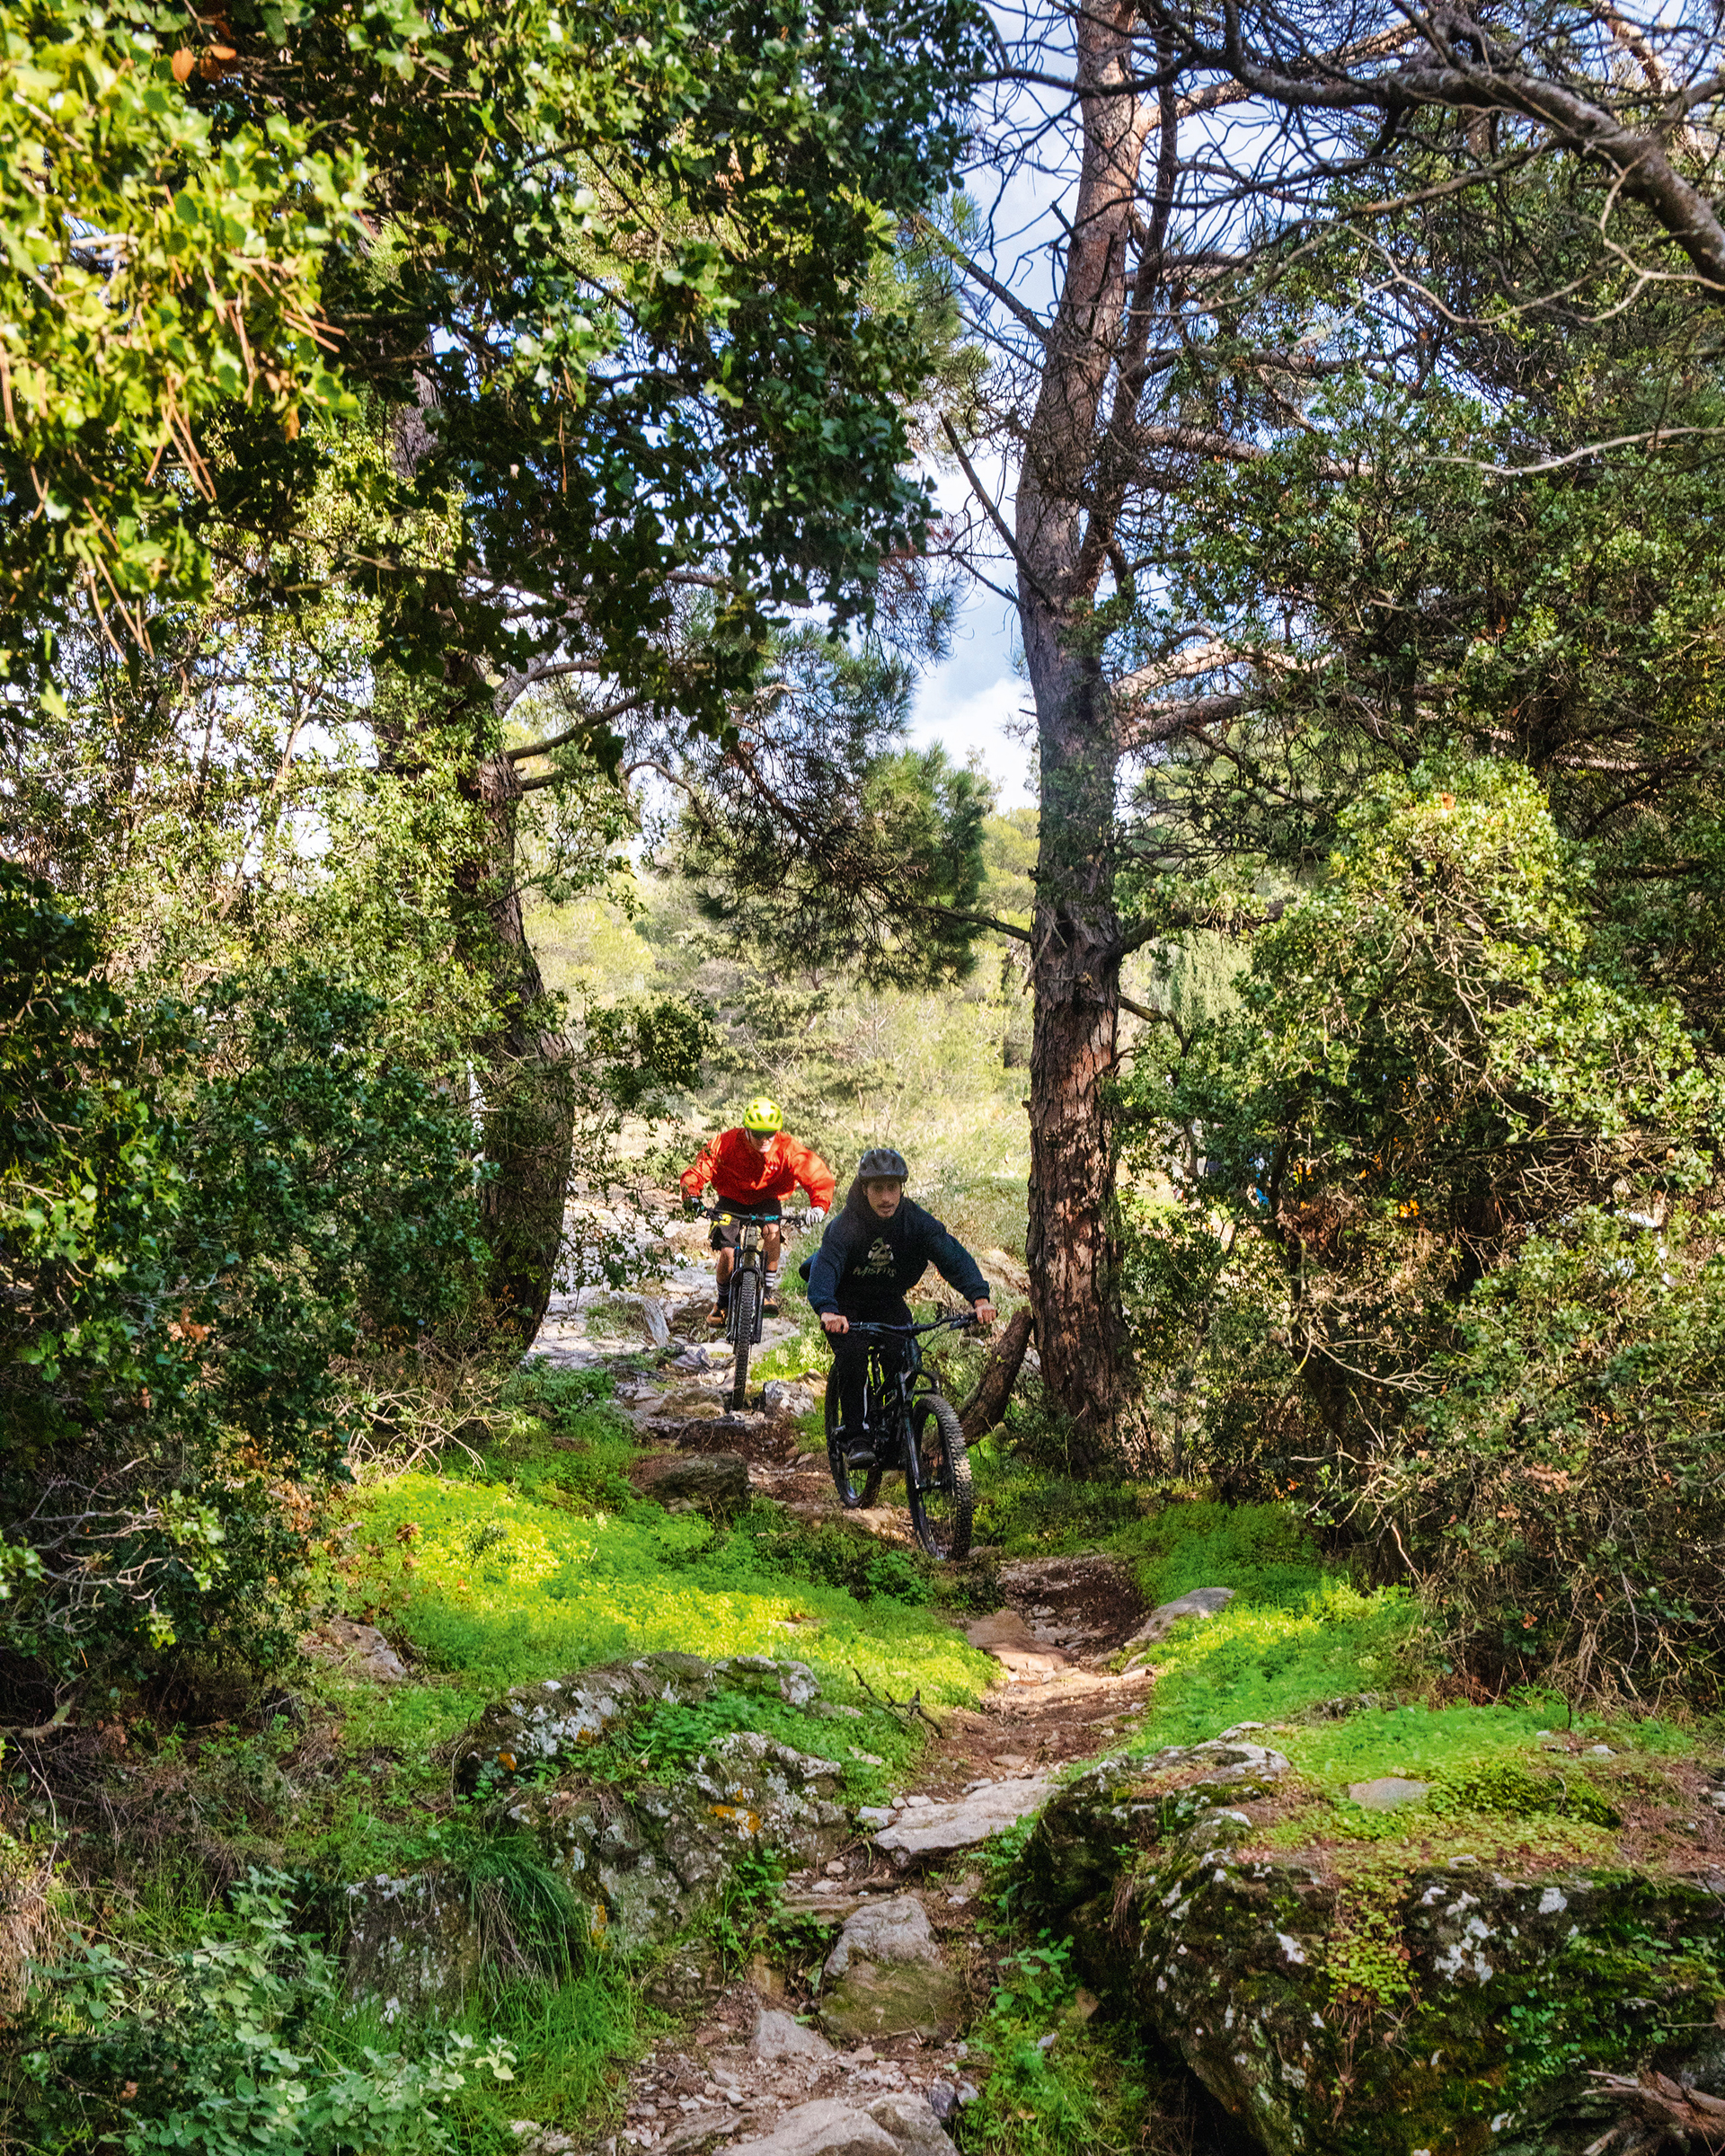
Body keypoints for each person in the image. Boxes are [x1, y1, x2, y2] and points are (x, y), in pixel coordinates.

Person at [804, 1147, 996, 1461]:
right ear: (864, 1188)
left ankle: (898, 1430)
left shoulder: (914, 1221)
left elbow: (951, 1256)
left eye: (892, 1188)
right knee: (852, 1354)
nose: (886, 1198)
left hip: (886, 1299)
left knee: (905, 1355)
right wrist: (827, 1309)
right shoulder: (846, 1225)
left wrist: (979, 1297)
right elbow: (826, 1267)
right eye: (878, 1189)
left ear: (901, 1189)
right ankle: (856, 1436)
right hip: (845, 1302)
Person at [679, 1097, 836, 1324]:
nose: (765, 1140)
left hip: (766, 1199)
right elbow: (701, 1167)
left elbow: (814, 1172)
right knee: (728, 1252)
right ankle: (722, 1303)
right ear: (746, 1130)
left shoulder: (786, 1147)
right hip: (731, 1199)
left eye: (770, 1134)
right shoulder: (725, 1143)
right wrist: (691, 1194)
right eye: (758, 1134)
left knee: (772, 1232)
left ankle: (767, 1293)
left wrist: (819, 1205)